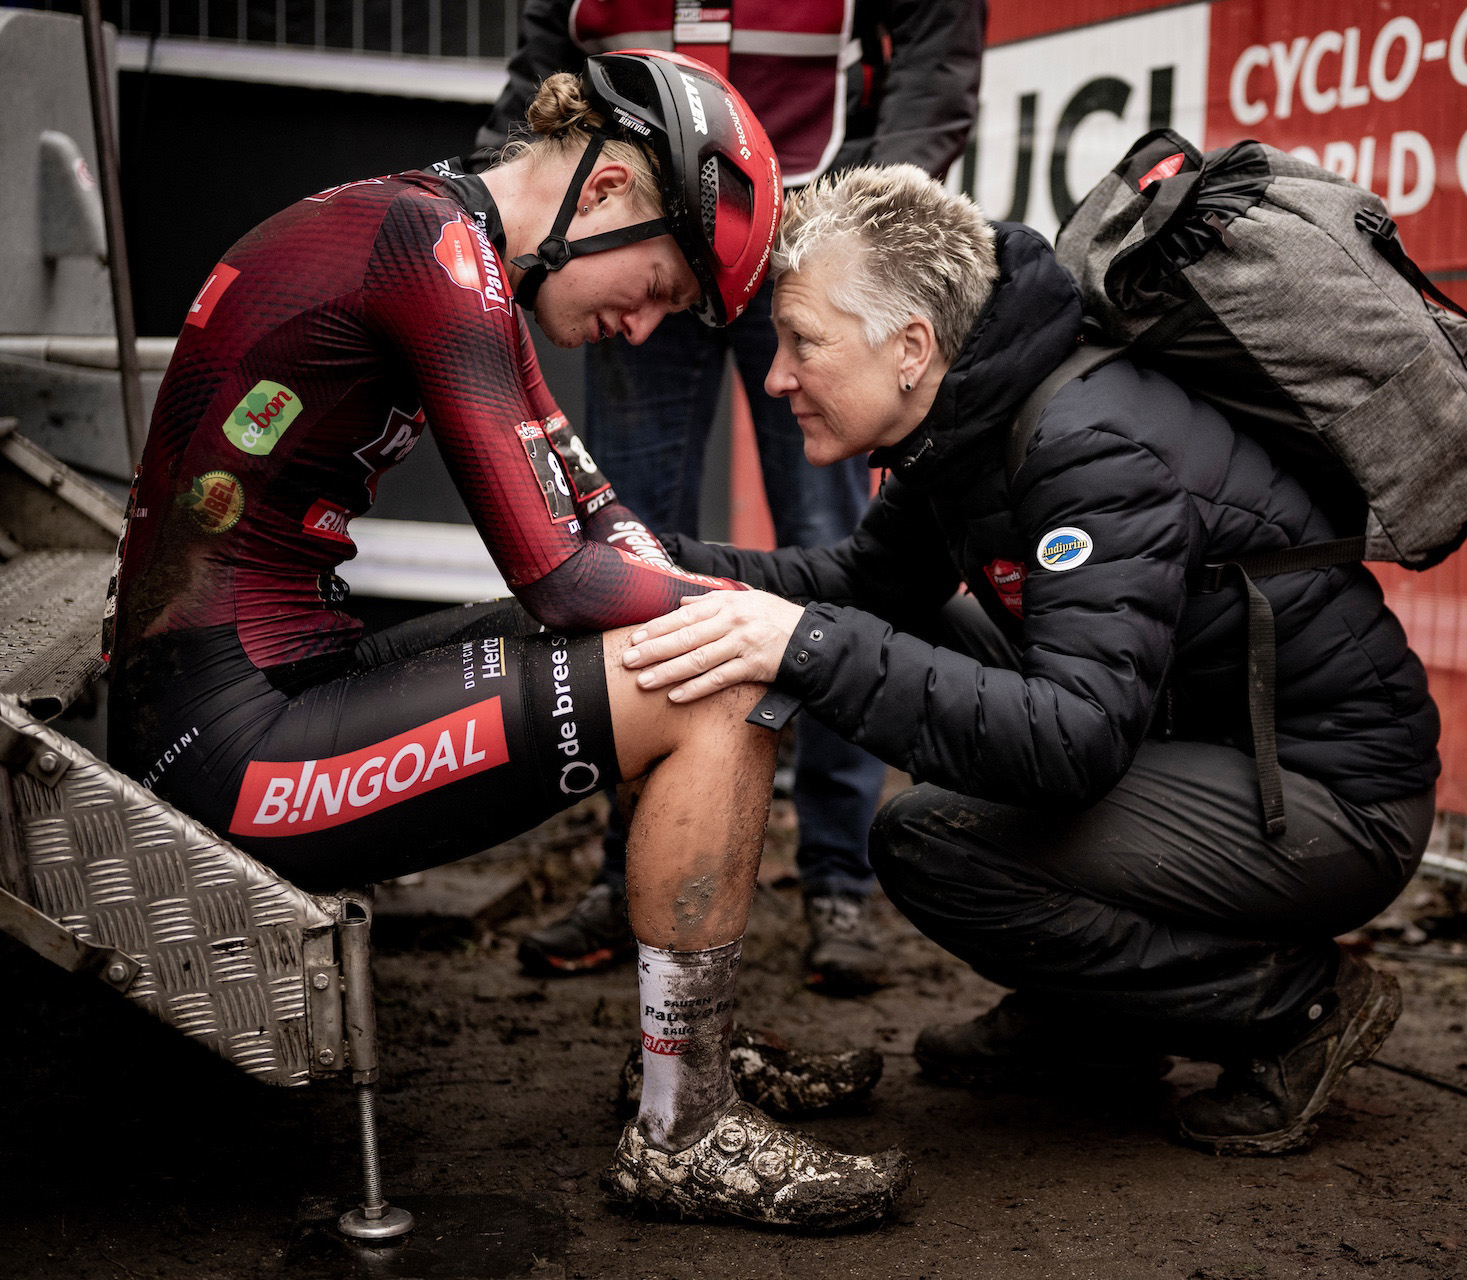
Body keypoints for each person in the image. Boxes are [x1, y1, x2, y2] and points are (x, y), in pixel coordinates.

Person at [105, 52, 907, 1228]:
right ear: (605, 194)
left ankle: (689, 1063)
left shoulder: (457, 240)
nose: (640, 327)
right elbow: (560, 574)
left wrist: (741, 613)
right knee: (724, 680)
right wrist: (789, 634)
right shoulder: (430, 256)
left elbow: (599, 517)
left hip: (279, 682)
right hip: (222, 748)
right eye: (663, 287)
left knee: (712, 650)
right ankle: (681, 1130)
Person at [617, 165, 1443, 1156]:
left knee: (936, 843)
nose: (777, 375)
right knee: (910, 636)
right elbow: (860, 586)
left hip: (1333, 797)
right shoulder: (968, 419)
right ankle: (1096, 1019)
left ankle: (1295, 1007)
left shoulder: (1087, 440)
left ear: (912, 347)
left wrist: (807, 644)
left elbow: (1076, 741)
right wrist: (643, 562)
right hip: (1194, 745)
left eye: (803, 343)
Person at [478, 0, 987, 992]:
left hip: (805, 235)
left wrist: (872, 207)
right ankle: (633, 866)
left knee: (841, 553)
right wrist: (519, 187)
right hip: (632, 229)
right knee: (625, 555)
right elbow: (547, 49)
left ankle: (839, 875)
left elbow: (933, 41)